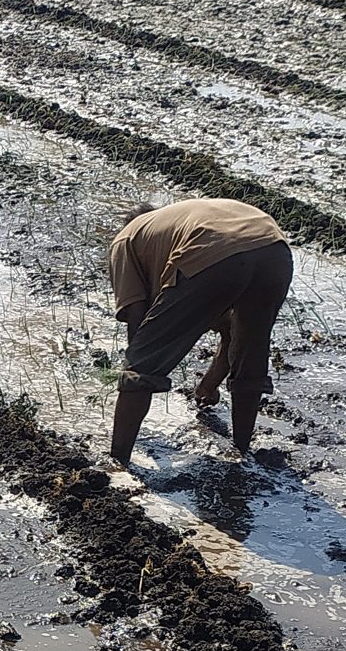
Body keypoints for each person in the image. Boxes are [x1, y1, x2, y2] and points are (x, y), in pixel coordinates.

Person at [106, 197, 294, 463]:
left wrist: (139, 366)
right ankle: (241, 452)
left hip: (214, 246)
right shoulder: (177, 222)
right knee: (252, 349)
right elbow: (232, 334)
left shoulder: (126, 239)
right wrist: (209, 385)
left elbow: (136, 314)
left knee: (142, 363)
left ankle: (118, 460)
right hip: (274, 249)